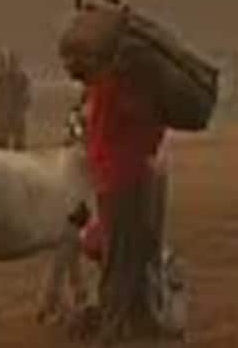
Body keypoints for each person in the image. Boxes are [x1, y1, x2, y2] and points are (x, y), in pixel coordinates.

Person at [65, 40, 169, 341]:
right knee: (127, 254)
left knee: (127, 252)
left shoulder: (101, 88)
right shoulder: (121, 90)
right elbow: (149, 132)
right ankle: (115, 327)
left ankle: (136, 321)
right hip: (127, 178)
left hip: (113, 178)